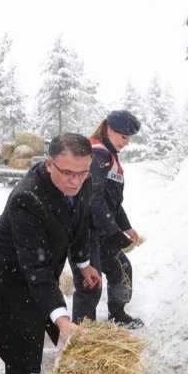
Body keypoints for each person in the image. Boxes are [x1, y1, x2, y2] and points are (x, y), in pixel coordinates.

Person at [0, 133, 101, 374]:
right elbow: (34, 271)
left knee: (36, 320)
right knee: (20, 329)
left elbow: (81, 224)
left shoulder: (82, 183)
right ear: (49, 164)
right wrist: (62, 319)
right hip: (10, 268)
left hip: (41, 261)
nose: (76, 180)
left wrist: (83, 262)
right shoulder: (26, 198)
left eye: (83, 172)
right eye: (68, 173)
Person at [69, 110, 144, 329]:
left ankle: (118, 314)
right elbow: (94, 198)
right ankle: (83, 333)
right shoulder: (98, 154)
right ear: (109, 130)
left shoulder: (108, 155)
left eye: (129, 137)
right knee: (90, 284)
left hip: (101, 229)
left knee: (121, 268)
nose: (127, 142)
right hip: (84, 231)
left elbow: (113, 201)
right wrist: (114, 233)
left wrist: (126, 227)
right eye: (123, 136)